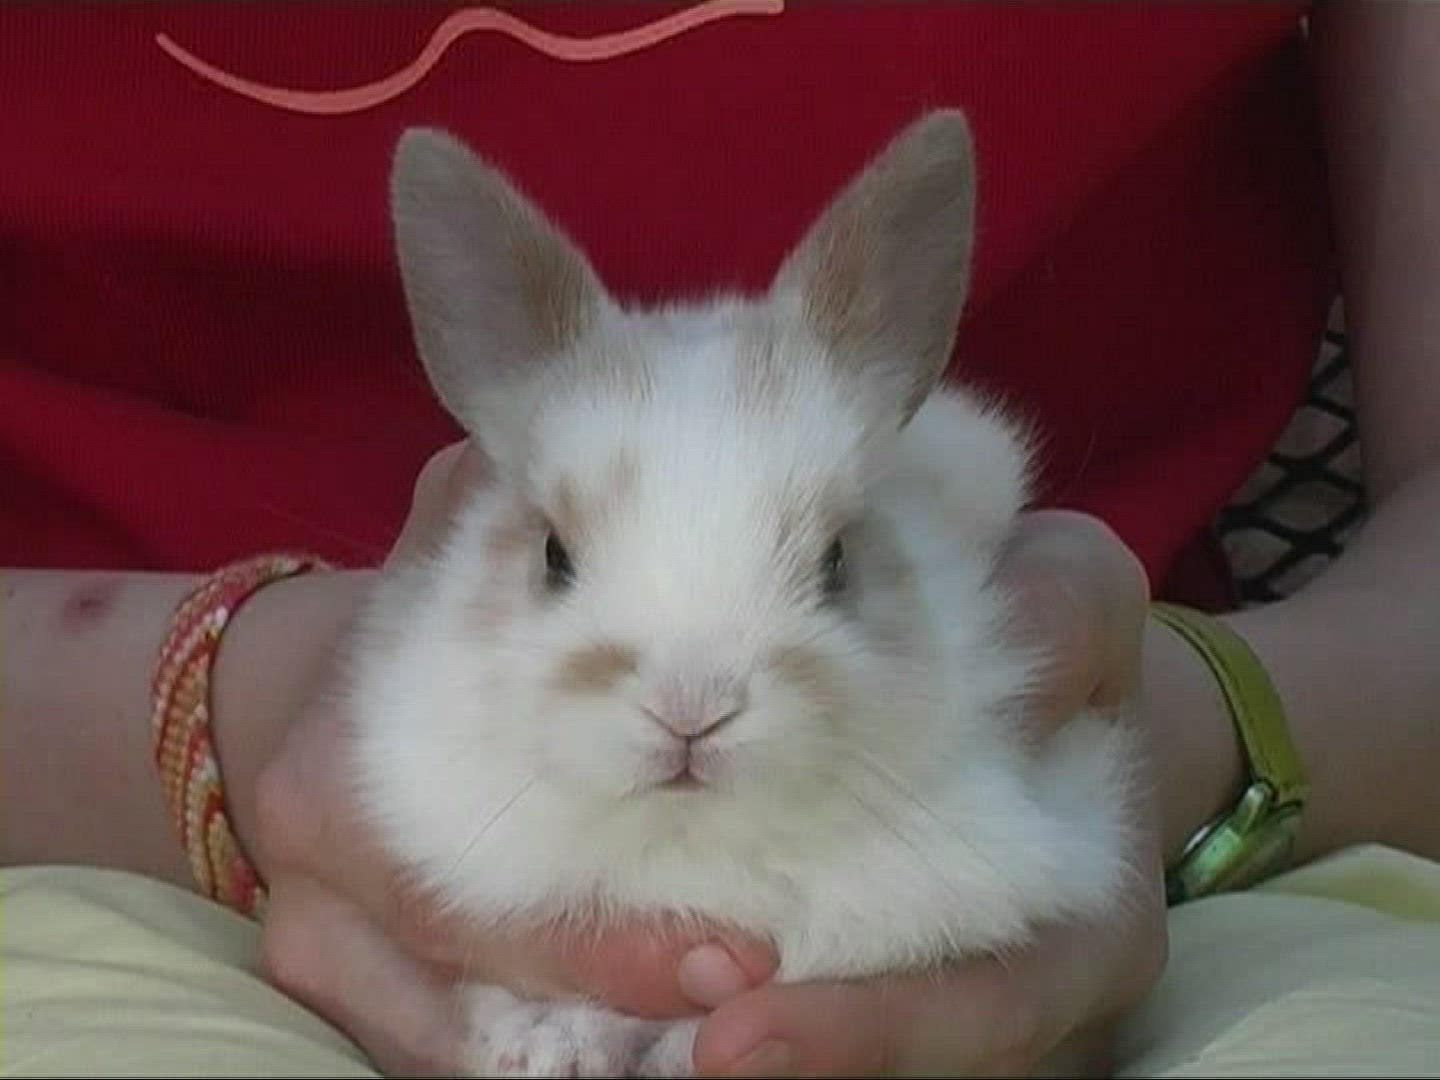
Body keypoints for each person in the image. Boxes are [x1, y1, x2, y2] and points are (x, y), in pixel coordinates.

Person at [2, 2, 1438, 1077]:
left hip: (1224, 877)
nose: (687, 707)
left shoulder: (962, 609)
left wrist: (1200, 727)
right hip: (102, 869)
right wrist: (227, 699)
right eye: (565, 564)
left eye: (822, 565)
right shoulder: (421, 714)